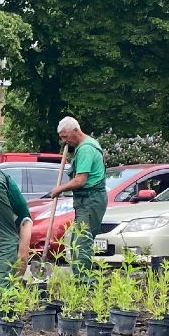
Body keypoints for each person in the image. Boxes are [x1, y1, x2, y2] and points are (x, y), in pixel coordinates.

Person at [47, 116, 107, 282]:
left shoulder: (86, 149)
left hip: (90, 200)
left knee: (82, 242)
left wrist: (59, 189)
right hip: (86, 201)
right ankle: (79, 279)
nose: (64, 141)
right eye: (61, 138)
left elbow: (80, 180)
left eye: (65, 137)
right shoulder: (83, 147)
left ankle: (85, 283)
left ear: (75, 130)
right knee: (76, 242)